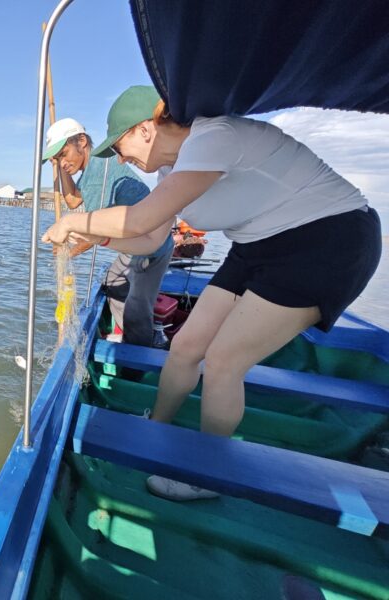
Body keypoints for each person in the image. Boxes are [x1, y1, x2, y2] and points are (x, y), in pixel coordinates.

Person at [42, 85, 382, 501]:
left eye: (121, 145)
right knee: (186, 346)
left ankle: (207, 474)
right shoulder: (172, 171)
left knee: (223, 360)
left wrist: (76, 223)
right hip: (256, 245)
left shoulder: (212, 136)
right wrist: (101, 240)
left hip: (327, 240)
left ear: (146, 129)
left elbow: (140, 217)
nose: (119, 158)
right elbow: (149, 239)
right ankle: (158, 424)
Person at [42, 117, 174, 347]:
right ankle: (132, 332)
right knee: (111, 281)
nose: (63, 162)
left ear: (82, 141)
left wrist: (68, 252)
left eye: (64, 154)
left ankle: (140, 350)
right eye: (58, 158)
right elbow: (73, 200)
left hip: (152, 247)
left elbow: (91, 228)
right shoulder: (93, 167)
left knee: (137, 310)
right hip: (132, 243)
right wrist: (59, 165)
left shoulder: (98, 174)